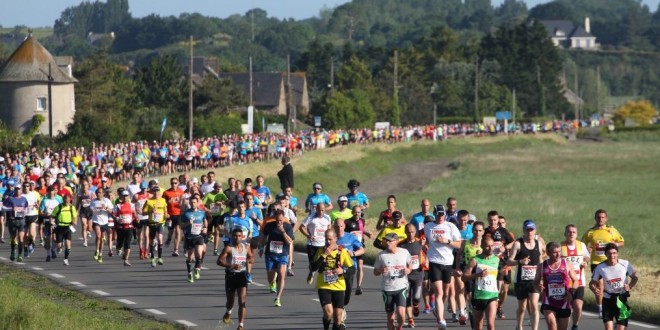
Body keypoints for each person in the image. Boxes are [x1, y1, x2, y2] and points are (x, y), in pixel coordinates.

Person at [423, 204, 462, 330]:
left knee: (445, 292)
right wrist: (423, 245)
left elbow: (459, 244)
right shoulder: (428, 226)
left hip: (448, 262)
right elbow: (423, 239)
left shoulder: (451, 227)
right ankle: (441, 320)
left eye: (442, 215)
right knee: (439, 292)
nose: (440, 217)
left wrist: (448, 241)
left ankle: (436, 309)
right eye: (438, 215)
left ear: (445, 215)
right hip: (434, 262)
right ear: (434, 214)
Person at [581, 209, 625, 317]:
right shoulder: (590, 232)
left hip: (610, 261)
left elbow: (622, 242)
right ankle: (600, 308)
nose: (600, 219)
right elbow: (582, 246)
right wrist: (588, 249)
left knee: (611, 284)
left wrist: (615, 244)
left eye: (602, 217)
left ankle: (614, 305)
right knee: (599, 283)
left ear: (606, 218)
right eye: (598, 217)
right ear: (595, 218)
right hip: (596, 261)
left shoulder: (611, 230)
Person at [309, 228, 353, 330]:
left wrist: (343, 271)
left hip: (339, 287)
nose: (328, 242)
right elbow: (314, 267)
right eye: (326, 239)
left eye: (330, 239)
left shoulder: (342, 251)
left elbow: (352, 269)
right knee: (328, 313)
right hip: (324, 285)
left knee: (338, 318)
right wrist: (325, 254)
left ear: (335, 239)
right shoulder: (321, 251)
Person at [507, 219, 546, 330]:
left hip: (534, 280)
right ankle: (519, 326)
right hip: (521, 280)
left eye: (532, 230)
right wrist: (519, 262)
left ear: (535, 231)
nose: (530, 233)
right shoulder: (518, 244)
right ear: (524, 230)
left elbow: (541, 260)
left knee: (534, 305)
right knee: (522, 307)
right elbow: (509, 261)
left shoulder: (539, 243)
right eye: (527, 230)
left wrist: (542, 276)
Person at [589, 243, 638, 330]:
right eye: (609, 253)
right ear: (605, 254)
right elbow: (592, 283)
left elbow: (635, 278)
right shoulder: (600, 267)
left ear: (618, 253)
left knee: (620, 328)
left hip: (621, 299)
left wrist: (629, 286)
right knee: (608, 328)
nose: (612, 255)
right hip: (608, 299)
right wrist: (594, 289)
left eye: (614, 253)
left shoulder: (625, 264)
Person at [535, 242, 579, 330]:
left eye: (559, 251)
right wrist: (538, 287)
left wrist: (571, 293)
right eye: (555, 252)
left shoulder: (566, 264)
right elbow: (535, 282)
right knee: (552, 326)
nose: (558, 254)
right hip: (548, 301)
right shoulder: (542, 266)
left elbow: (575, 281)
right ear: (548, 253)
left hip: (564, 301)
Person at [374, 233, 412, 330]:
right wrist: (380, 270)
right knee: (390, 317)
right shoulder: (381, 255)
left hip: (401, 287)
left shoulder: (404, 252)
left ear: (396, 242)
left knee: (401, 313)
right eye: (386, 240)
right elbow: (375, 271)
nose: (387, 243)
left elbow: (410, 264)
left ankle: (399, 326)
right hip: (387, 289)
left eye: (389, 241)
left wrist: (408, 270)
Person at [218, 228, 253, 330]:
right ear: (231, 236)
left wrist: (250, 259)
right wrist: (232, 265)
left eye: (239, 236)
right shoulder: (228, 248)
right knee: (230, 302)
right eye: (234, 236)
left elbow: (251, 257)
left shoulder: (246, 247)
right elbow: (219, 261)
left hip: (242, 276)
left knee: (242, 302)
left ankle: (241, 325)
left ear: (242, 237)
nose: (237, 238)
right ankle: (228, 311)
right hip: (231, 276)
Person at [462, 236, 499, 330]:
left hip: (492, 296)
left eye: (492, 246)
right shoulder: (475, 260)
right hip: (478, 296)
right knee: (478, 325)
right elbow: (464, 277)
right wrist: (477, 275)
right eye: (487, 246)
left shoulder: (496, 260)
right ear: (482, 246)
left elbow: (498, 277)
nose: (490, 248)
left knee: (491, 324)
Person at [259, 209, 294, 307]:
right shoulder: (269, 225)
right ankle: (272, 283)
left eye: (281, 220)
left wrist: (283, 231)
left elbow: (290, 241)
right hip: (270, 254)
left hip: (283, 254)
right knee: (270, 277)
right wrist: (261, 247)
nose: (279, 222)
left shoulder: (287, 227)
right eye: (278, 220)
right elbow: (263, 236)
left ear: (284, 219)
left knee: (282, 274)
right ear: (275, 218)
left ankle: (278, 298)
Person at [484, 210, 515, 319]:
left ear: (497, 220)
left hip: (503, 262)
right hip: (490, 263)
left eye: (495, 220)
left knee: (505, 290)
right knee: (495, 286)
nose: (493, 222)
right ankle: (493, 306)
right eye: (491, 220)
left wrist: (505, 247)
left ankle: (499, 305)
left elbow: (513, 243)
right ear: (488, 220)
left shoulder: (503, 231)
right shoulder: (485, 232)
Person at [561, 224, 590, 330]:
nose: (571, 234)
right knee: (566, 309)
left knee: (578, 306)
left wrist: (585, 263)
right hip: (565, 283)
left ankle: (575, 326)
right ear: (565, 234)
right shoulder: (561, 247)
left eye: (574, 232)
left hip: (579, 281)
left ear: (577, 234)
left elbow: (587, 257)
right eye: (569, 232)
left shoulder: (581, 245)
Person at [335, 218, 364, 321]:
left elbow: (362, 250)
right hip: (336, 270)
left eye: (341, 226)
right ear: (334, 226)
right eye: (337, 226)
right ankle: (339, 310)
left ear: (344, 226)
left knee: (347, 296)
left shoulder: (351, 237)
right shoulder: (331, 238)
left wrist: (353, 253)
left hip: (349, 269)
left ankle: (343, 305)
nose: (339, 228)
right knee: (337, 293)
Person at [400, 223, 426, 328]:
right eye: (409, 232)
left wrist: (425, 262)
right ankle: (410, 319)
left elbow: (427, 253)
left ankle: (416, 305)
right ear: (405, 232)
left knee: (416, 296)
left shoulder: (420, 242)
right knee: (407, 297)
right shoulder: (401, 244)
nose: (411, 234)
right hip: (406, 275)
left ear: (415, 232)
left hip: (418, 273)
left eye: (412, 232)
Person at [301, 203, 332, 284]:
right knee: (313, 265)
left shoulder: (327, 217)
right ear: (316, 209)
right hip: (312, 244)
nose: (320, 212)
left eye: (322, 210)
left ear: (325, 210)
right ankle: (311, 272)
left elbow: (329, 228)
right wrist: (308, 235)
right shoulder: (311, 217)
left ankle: (328, 281)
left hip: (323, 244)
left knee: (324, 264)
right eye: (319, 210)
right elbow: (301, 227)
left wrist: (329, 239)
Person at [181, 194, 208, 282]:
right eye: (191, 202)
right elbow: (181, 225)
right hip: (189, 237)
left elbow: (205, 221)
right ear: (189, 203)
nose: (193, 204)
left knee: (199, 255)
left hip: (199, 236)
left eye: (194, 202)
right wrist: (188, 223)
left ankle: (196, 269)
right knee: (190, 257)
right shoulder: (186, 213)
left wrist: (205, 228)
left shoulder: (201, 213)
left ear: (197, 203)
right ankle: (189, 273)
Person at [143, 186, 168, 267]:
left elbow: (165, 210)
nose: (156, 193)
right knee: (152, 240)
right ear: (152, 193)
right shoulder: (149, 201)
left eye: (158, 192)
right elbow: (143, 212)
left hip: (160, 222)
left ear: (160, 193)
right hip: (152, 223)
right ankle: (152, 257)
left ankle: (160, 257)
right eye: (154, 192)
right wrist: (150, 211)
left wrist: (167, 215)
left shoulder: (163, 200)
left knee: (160, 238)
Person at [202, 182, 228, 255]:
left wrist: (222, 203)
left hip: (218, 215)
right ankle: (204, 245)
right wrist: (207, 210)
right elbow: (202, 204)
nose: (218, 189)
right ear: (214, 187)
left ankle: (215, 250)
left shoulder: (222, 194)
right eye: (217, 187)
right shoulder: (209, 194)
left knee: (217, 231)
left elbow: (227, 202)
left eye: (219, 187)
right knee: (208, 233)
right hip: (210, 216)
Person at [52, 194, 78, 266]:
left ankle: (66, 259)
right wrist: (52, 224)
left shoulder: (72, 207)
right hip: (60, 227)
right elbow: (52, 216)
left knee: (68, 244)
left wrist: (74, 221)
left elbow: (75, 216)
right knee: (59, 245)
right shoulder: (59, 207)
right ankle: (58, 247)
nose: (66, 201)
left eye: (68, 200)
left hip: (68, 227)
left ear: (70, 200)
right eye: (65, 200)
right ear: (63, 200)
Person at [4, 185, 28, 262]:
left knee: (21, 238)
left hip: (21, 220)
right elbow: (3, 207)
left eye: (19, 189)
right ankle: (13, 251)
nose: (18, 191)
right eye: (17, 189)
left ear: (21, 190)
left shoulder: (24, 199)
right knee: (13, 238)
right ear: (15, 190)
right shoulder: (10, 198)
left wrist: (24, 211)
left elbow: (26, 208)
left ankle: (20, 255)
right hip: (12, 221)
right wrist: (11, 209)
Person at [113, 189, 137, 266]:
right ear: (121, 197)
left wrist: (136, 219)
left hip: (129, 226)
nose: (125, 197)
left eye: (127, 196)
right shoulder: (118, 205)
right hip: (120, 227)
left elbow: (134, 214)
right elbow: (113, 214)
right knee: (120, 242)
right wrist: (116, 218)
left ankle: (126, 259)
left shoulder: (132, 205)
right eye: (124, 196)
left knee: (128, 243)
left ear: (129, 196)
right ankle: (118, 247)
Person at [39, 186, 62, 262]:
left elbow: (62, 210)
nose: (51, 192)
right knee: (48, 240)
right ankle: (48, 255)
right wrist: (45, 214)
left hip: (55, 221)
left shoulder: (59, 200)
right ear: (48, 192)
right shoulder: (44, 201)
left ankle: (53, 250)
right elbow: (40, 212)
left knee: (55, 238)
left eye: (53, 191)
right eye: (50, 191)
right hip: (47, 221)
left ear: (55, 192)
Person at [90, 188, 113, 263]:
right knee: (98, 235)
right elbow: (91, 210)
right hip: (96, 220)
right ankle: (96, 250)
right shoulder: (93, 201)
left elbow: (111, 210)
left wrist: (106, 208)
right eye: (97, 193)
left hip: (104, 221)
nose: (98, 194)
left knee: (102, 239)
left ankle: (100, 253)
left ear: (103, 193)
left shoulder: (107, 201)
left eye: (100, 193)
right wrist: (93, 210)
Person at [163, 177, 185, 256]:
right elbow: (163, 204)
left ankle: (176, 250)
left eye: (175, 183)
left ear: (178, 183)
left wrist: (182, 207)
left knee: (178, 232)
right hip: (170, 214)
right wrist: (168, 202)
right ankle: (169, 239)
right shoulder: (166, 192)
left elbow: (183, 202)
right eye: (172, 183)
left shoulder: (181, 192)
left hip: (178, 214)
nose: (174, 184)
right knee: (171, 231)